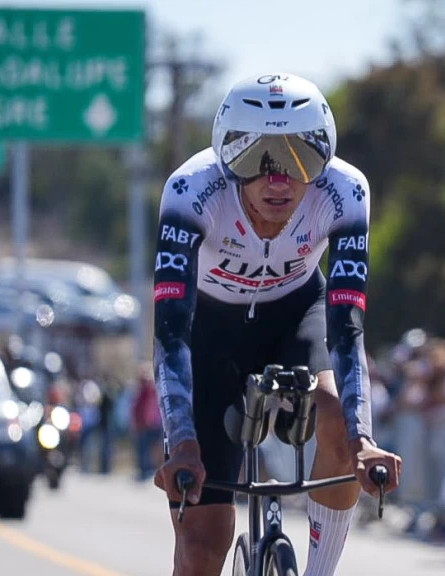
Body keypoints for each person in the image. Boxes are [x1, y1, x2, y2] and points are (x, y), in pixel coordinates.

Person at [151, 72, 402, 576]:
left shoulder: (346, 191)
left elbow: (347, 330)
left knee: (338, 424)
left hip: (296, 314)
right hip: (210, 331)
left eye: (300, 157)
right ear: (226, 157)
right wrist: (182, 442)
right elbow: (170, 333)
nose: (279, 180)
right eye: (256, 159)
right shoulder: (189, 191)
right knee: (202, 546)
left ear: (324, 158)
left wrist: (362, 440)